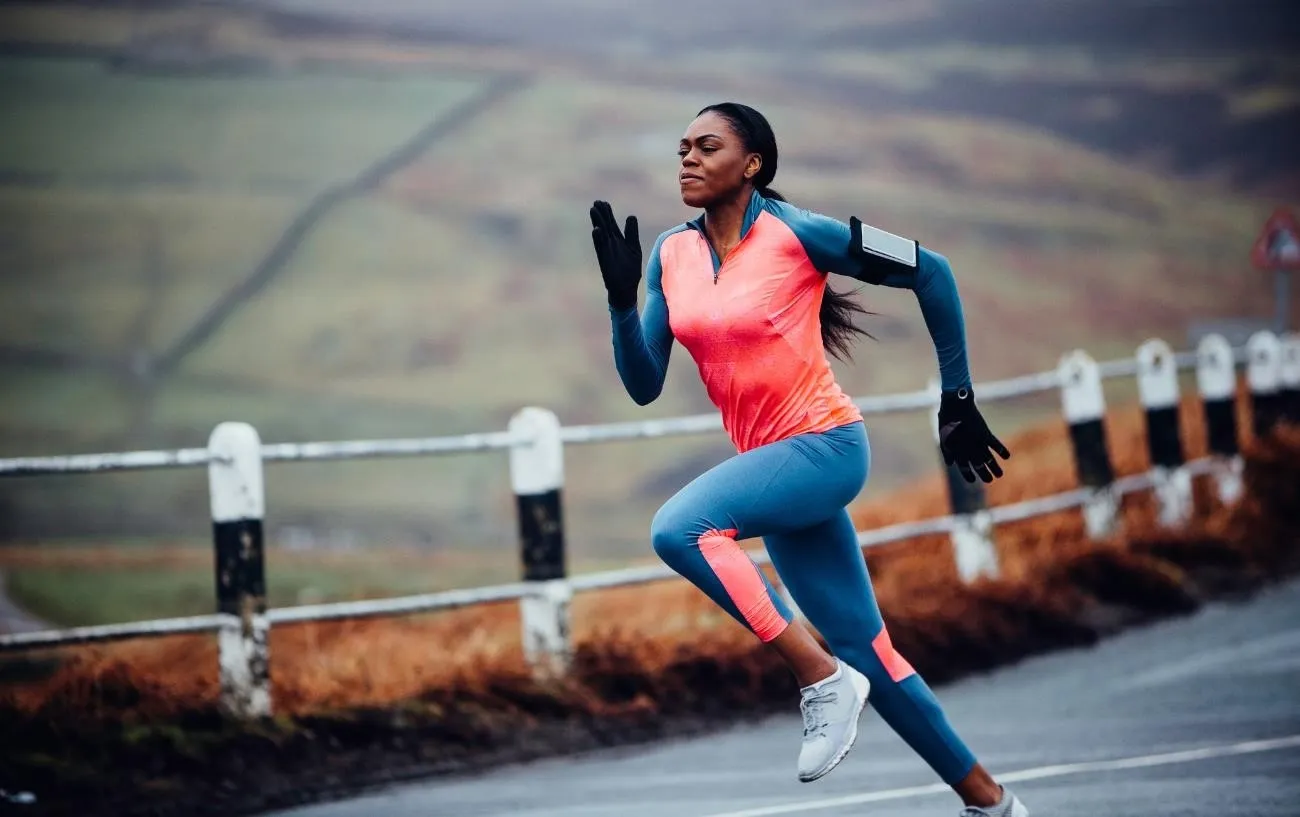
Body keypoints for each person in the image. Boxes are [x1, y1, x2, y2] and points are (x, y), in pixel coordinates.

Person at [588, 102, 1023, 815]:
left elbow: (933, 271)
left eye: (707, 146)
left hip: (825, 448)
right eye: (681, 149)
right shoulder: (671, 254)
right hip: (776, 472)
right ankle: (994, 803)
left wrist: (958, 397)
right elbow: (643, 384)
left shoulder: (802, 233)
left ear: (752, 163)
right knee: (873, 654)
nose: (687, 160)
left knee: (679, 528)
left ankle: (819, 677)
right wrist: (618, 300)